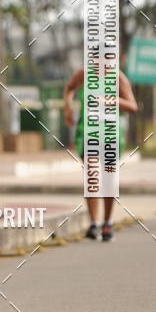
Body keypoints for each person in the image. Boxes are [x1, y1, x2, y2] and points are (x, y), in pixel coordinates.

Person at [63, 65, 138, 241]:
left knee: (109, 180)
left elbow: (133, 106)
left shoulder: (118, 78)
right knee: (92, 176)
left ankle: (107, 222)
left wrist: (108, 100)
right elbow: (69, 88)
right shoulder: (83, 74)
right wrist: (67, 108)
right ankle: (94, 223)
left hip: (111, 135)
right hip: (88, 134)